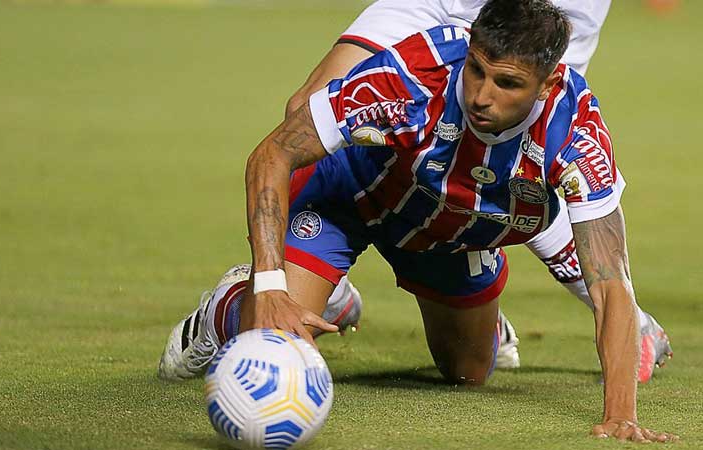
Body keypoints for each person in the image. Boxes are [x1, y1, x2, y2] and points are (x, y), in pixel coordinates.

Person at [159, 0, 678, 441]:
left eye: (506, 83)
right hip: (348, 198)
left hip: (445, 234)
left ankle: (451, 287)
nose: (480, 95)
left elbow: (611, 283)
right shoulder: (414, 76)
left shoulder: (577, 134)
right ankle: (235, 305)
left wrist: (620, 415)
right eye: (476, 71)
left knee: (469, 372)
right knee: (273, 335)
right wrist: (270, 283)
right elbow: (272, 153)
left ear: (546, 87)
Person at [282, 0, 671, 380]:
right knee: (309, 109)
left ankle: (629, 321)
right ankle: (326, 281)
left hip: (542, 14)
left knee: (517, 164)